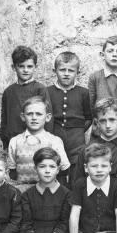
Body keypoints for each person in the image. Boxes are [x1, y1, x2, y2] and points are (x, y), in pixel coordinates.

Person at [71, 98, 117, 191]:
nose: (108, 125)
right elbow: (78, 184)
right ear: (96, 123)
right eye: (103, 121)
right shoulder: (86, 150)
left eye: (112, 120)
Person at [46, 51, 92, 185]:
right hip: (55, 136)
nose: (66, 73)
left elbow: (88, 118)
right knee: (57, 173)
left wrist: (78, 131)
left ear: (77, 72)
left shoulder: (83, 93)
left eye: (71, 70)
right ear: (55, 71)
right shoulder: (47, 91)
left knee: (75, 176)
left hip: (76, 141)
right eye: (62, 70)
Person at [7, 96, 70, 192]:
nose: (34, 118)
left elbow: (64, 170)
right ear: (23, 116)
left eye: (39, 114)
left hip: (47, 191)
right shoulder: (15, 141)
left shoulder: (54, 141)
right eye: (29, 114)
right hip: (22, 191)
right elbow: (12, 172)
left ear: (48, 117)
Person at [0, 45, 52, 149]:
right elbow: (4, 120)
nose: (25, 70)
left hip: (36, 142)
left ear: (35, 67)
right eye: (21, 66)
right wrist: (5, 141)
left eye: (29, 66)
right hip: (13, 142)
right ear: (14, 67)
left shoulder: (39, 89)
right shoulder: (8, 92)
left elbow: (48, 119)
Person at [88, 36, 117, 143]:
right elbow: (91, 105)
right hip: (101, 126)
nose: (114, 54)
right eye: (110, 51)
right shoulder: (95, 77)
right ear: (102, 55)